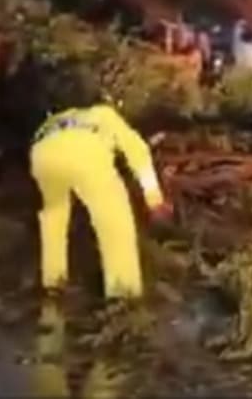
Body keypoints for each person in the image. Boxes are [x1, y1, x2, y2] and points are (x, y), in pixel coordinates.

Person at [28, 104, 171, 299]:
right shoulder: (105, 114)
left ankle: (54, 285)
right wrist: (154, 199)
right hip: (85, 150)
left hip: (42, 152)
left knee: (54, 216)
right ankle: (123, 294)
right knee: (114, 219)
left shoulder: (59, 118)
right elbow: (138, 152)